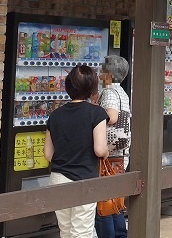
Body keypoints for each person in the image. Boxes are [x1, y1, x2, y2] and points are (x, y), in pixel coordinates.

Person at [44, 64, 109, 238]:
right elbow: (100, 149)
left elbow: (48, 154)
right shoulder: (97, 113)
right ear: (92, 88)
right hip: (84, 179)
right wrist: (106, 152)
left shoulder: (55, 115)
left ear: (68, 86)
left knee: (65, 231)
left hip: (57, 178)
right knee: (82, 232)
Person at [95, 56, 131, 238]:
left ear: (108, 75)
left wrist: (93, 114)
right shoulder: (121, 92)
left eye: (102, 71)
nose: (100, 75)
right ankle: (120, 235)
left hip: (110, 155)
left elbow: (112, 116)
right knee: (115, 202)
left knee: (104, 205)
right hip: (121, 153)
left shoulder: (109, 92)